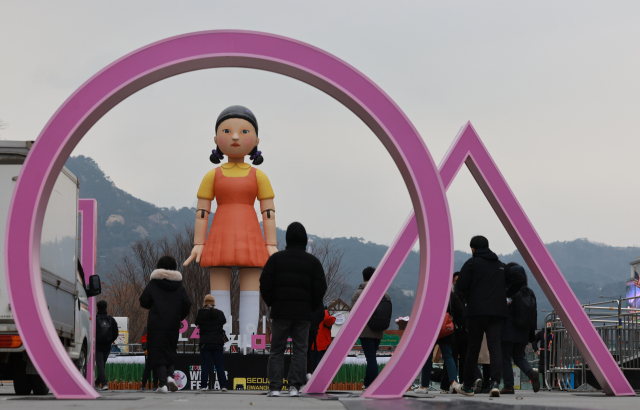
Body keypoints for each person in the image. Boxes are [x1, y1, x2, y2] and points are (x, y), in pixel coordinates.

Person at [184, 105, 277, 347]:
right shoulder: (212, 175)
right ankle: (221, 343)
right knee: (219, 292)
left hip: (250, 236)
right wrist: (198, 243)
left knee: (250, 292)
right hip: (220, 235)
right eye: (227, 130)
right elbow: (202, 212)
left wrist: (271, 244)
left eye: (244, 131)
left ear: (256, 139)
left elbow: (268, 212)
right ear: (216, 139)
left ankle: (246, 344)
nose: (235, 137)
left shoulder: (259, 176)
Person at [260, 222, 327, 397]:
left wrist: (272, 302)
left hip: (281, 312)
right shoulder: (313, 262)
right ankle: (294, 387)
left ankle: (275, 388)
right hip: (303, 314)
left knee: (277, 350)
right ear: (304, 239)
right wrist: (311, 306)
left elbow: (265, 284)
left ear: (287, 238)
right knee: (300, 351)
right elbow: (320, 288)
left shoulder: (275, 259)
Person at [454, 236, 509, 397]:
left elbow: (460, 286)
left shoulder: (471, 264)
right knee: (495, 347)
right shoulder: (500, 265)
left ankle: (468, 386)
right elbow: (516, 278)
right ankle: (495, 383)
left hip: (477, 312)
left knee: (473, 348)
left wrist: (468, 298)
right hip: (497, 313)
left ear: (473, 249)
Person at [139, 256, 192, 393]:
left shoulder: (154, 284)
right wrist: (177, 317)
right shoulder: (179, 286)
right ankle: (170, 377)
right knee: (169, 349)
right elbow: (187, 304)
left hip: (156, 323)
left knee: (157, 352)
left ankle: (162, 384)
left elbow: (143, 301)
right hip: (172, 324)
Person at [414, 278, 463, 394]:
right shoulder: (451, 296)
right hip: (446, 330)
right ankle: (453, 383)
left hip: (431, 329)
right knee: (448, 356)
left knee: (427, 358)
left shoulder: (430, 296)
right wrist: (454, 323)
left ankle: (424, 386)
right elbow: (460, 311)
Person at [499, 262, 540, 394]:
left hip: (508, 330)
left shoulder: (508, 291)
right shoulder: (528, 292)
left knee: (505, 357)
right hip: (523, 331)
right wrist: (531, 334)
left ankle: (509, 386)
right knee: (519, 357)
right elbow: (534, 314)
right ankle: (530, 373)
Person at [352, 267, 391, 391]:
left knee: (371, 357)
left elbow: (353, 312)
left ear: (363, 277)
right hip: (379, 330)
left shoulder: (359, 293)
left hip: (366, 331)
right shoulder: (384, 293)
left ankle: (374, 384)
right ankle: (367, 382)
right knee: (372, 355)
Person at [195, 294, 228, 391]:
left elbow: (197, 322)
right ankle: (223, 386)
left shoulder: (201, 313)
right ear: (214, 304)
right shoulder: (219, 313)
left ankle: (204, 386)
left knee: (206, 364)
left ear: (205, 304)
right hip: (218, 342)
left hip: (205, 343)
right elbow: (224, 321)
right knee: (219, 364)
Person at [95, 300, 118, 391]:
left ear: (97, 308)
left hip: (97, 345)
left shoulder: (95, 319)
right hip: (107, 346)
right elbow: (116, 333)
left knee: (100, 365)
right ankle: (97, 383)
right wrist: (110, 341)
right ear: (106, 308)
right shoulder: (111, 320)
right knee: (102, 365)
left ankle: (104, 384)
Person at [307, 305, 326, 379]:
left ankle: (311, 375)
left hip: (319, 344)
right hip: (316, 342)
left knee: (317, 361)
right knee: (313, 360)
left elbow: (329, 319)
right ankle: (311, 375)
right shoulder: (321, 311)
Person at [534, 322, 553, 389]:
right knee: (543, 368)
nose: (549, 325)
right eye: (548, 323)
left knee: (552, 368)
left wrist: (553, 348)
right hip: (543, 353)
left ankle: (552, 384)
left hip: (553, 354)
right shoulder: (541, 332)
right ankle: (545, 384)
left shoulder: (555, 332)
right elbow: (534, 340)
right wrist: (536, 349)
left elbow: (559, 342)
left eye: (550, 324)